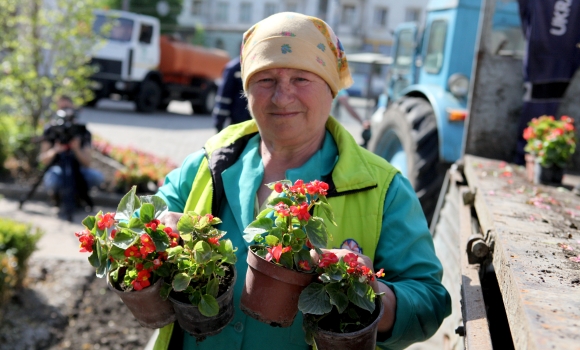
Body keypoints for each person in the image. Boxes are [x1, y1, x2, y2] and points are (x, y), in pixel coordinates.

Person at [152, 12, 451, 350]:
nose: (282, 97)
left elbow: (430, 302)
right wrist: (157, 228)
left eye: (301, 79)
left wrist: (370, 293)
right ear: (247, 90)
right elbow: (141, 222)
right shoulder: (209, 164)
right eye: (265, 80)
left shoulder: (382, 188)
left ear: (331, 89)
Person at [514, 0, 580, 165]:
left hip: (542, 57)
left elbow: (524, 12)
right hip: (558, 58)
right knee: (541, 101)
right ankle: (530, 154)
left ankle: (526, 154)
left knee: (538, 101)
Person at [39, 96, 104, 209]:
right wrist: (55, 150)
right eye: (62, 108)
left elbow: (87, 163)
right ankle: (57, 196)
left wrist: (76, 149)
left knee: (96, 177)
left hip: (78, 170)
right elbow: (43, 160)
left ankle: (79, 196)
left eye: (67, 108)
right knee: (53, 180)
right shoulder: (51, 129)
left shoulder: (80, 131)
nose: (65, 111)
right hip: (57, 169)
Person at [212, 56, 252, 133]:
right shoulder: (233, 68)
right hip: (238, 121)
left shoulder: (258, 67)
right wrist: (219, 124)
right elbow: (224, 97)